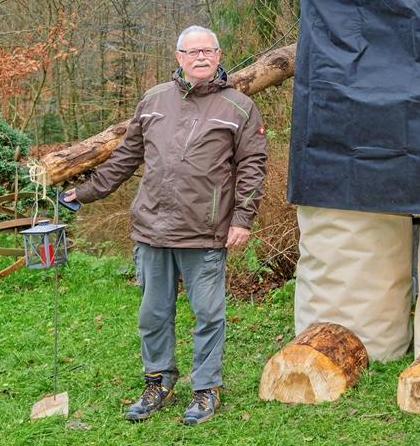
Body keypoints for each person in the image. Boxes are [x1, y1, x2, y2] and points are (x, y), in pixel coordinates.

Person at [63, 25, 267, 426]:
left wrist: (242, 218)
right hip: (152, 229)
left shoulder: (239, 107)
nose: (201, 57)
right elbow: (125, 158)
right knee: (153, 314)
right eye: (192, 52)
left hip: (205, 231)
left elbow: (253, 167)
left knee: (208, 314)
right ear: (178, 57)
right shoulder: (154, 100)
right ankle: (158, 381)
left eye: (208, 50)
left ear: (220, 53)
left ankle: (206, 388)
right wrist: (84, 192)